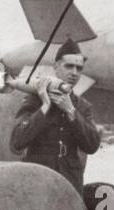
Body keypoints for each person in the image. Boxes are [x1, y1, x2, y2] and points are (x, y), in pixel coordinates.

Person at [9, 38, 101, 192]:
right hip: (37, 179)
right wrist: (45, 107)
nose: (74, 73)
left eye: (79, 68)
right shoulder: (35, 100)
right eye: (69, 66)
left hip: (70, 180)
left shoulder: (82, 106)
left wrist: (71, 111)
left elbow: (92, 146)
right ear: (56, 67)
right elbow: (17, 142)